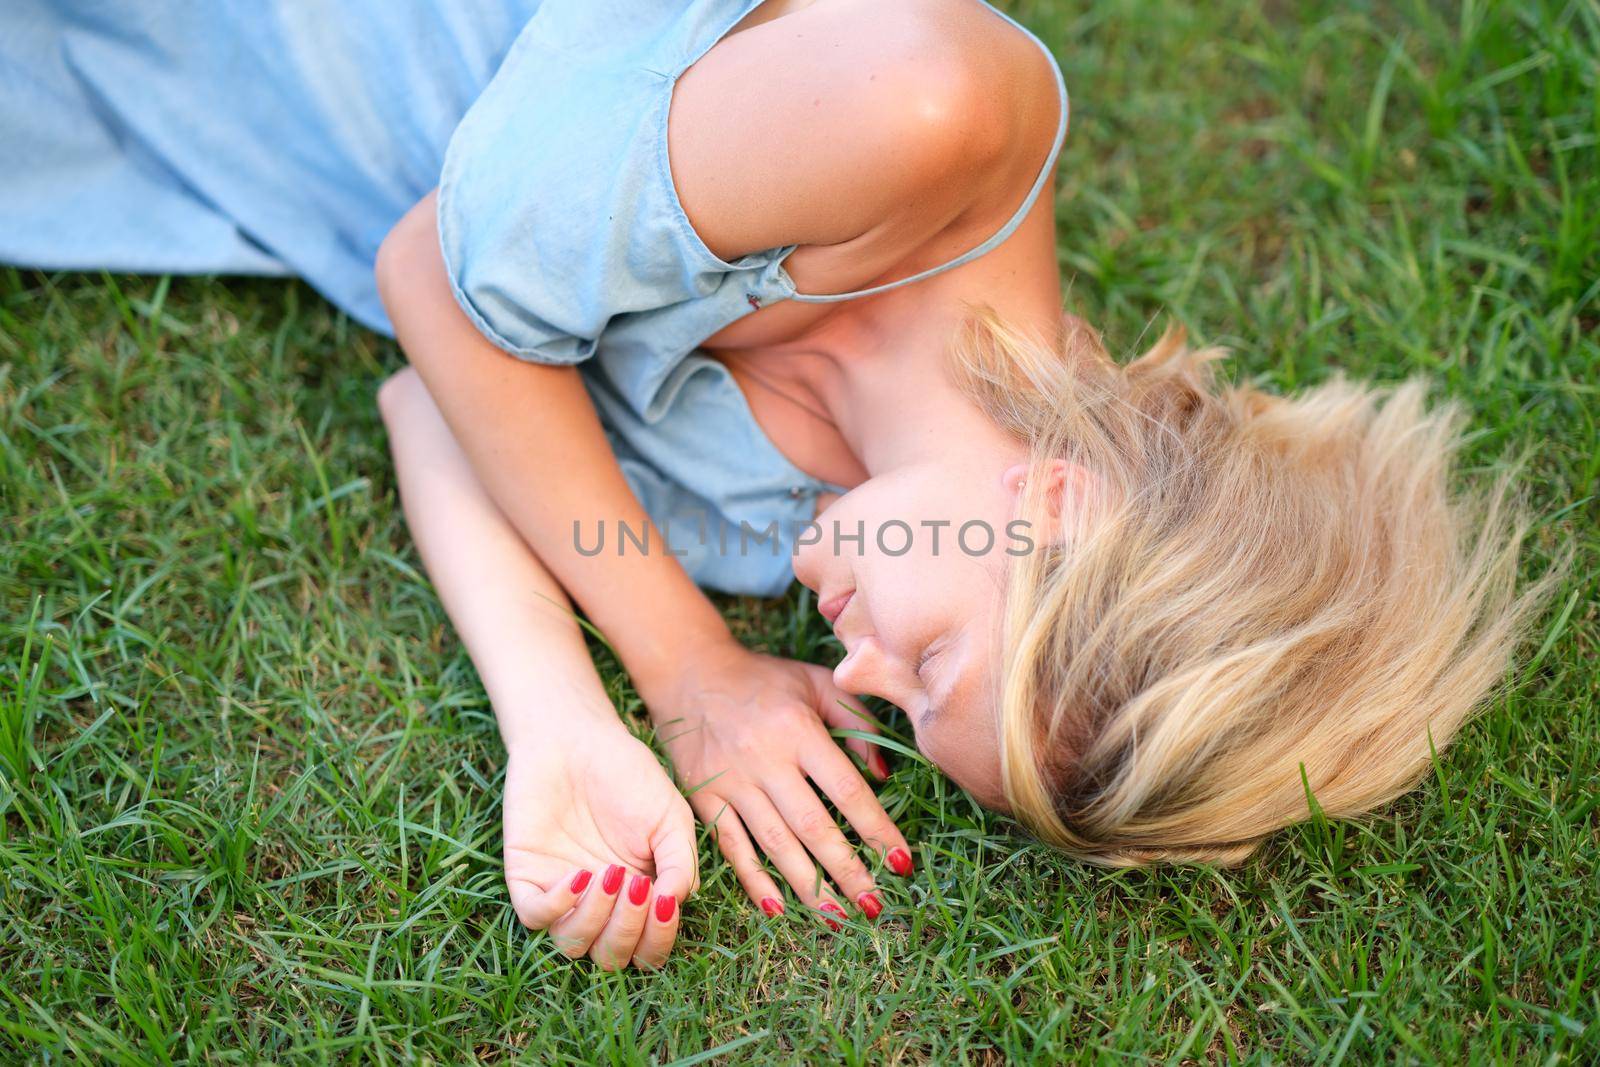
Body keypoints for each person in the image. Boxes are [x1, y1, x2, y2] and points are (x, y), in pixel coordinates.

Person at [0, 0, 1547, 974]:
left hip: (227, 119)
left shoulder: (784, 525)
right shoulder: (928, 111)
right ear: (1066, 509)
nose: (848, 663)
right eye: (929, 663)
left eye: (898, 704)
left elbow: (438, 399)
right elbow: (432, 276)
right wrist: (681, 670)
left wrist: (569, 728)